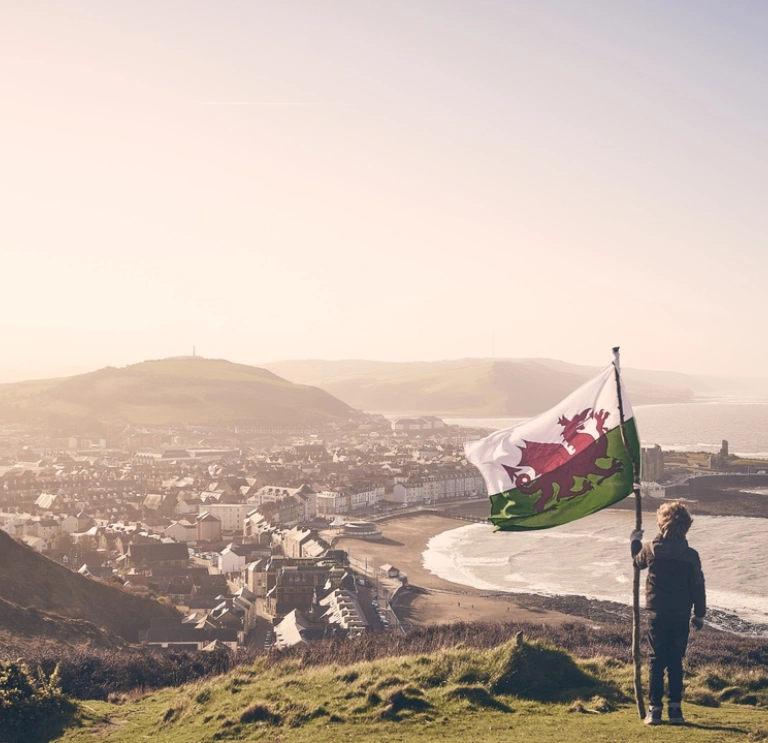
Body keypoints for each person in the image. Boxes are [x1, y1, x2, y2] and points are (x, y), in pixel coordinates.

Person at [630, 502, 706, 726]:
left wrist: (634, 541)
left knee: (656, 658)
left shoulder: (651, 549)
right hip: (681, 613)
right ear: (686, 526)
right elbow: (698, 586)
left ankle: (654, 711)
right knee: (675, 660)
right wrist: (699, 614)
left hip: (657, 612)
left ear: (661, 524)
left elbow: (637, 563)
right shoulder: (690, 556)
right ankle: (675, 711)